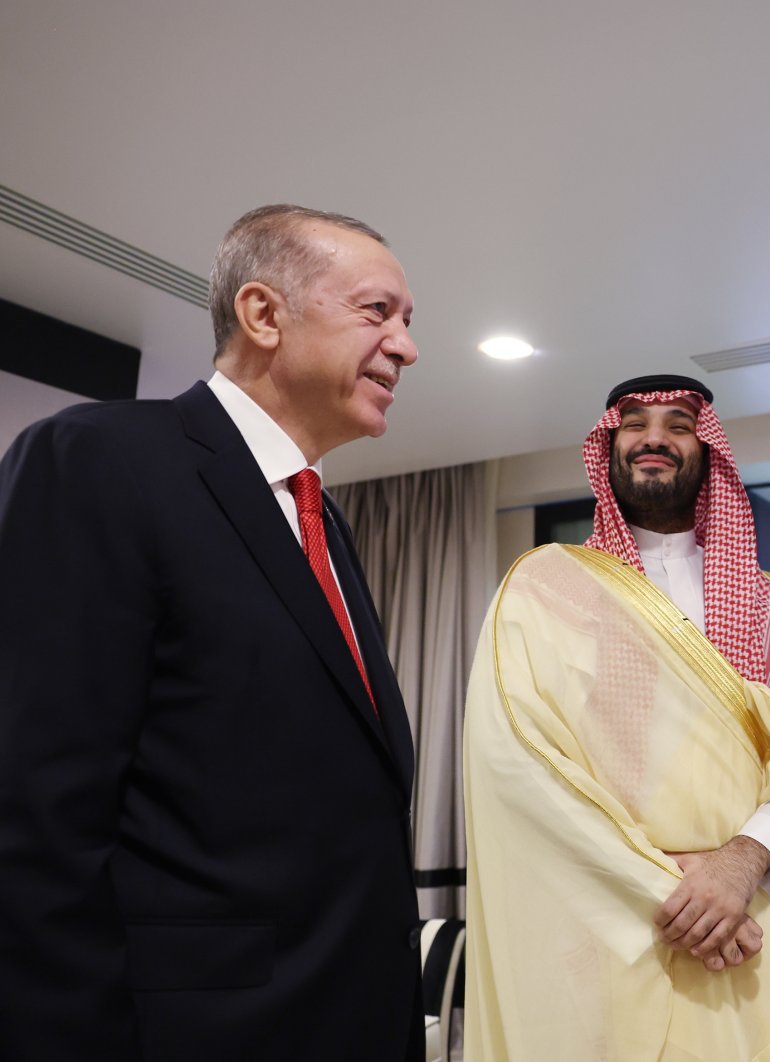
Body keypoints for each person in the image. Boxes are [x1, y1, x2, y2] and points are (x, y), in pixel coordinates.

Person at [0, 205, 425, 1059]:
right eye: (378, 312)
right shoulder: (98, 459)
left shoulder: (323, 522)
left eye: (408, 323)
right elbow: (33, 810)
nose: (407, 346)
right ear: (263, 315)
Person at [462, 373, 770, 1060]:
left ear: (707, 451)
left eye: (679, 424)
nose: (654, 437)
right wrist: (672, 888)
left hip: (756, 927)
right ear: (609, 446)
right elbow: (522, 769)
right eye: (636, 423)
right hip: (611, 936)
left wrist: (738, 867)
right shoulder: (547, 593)